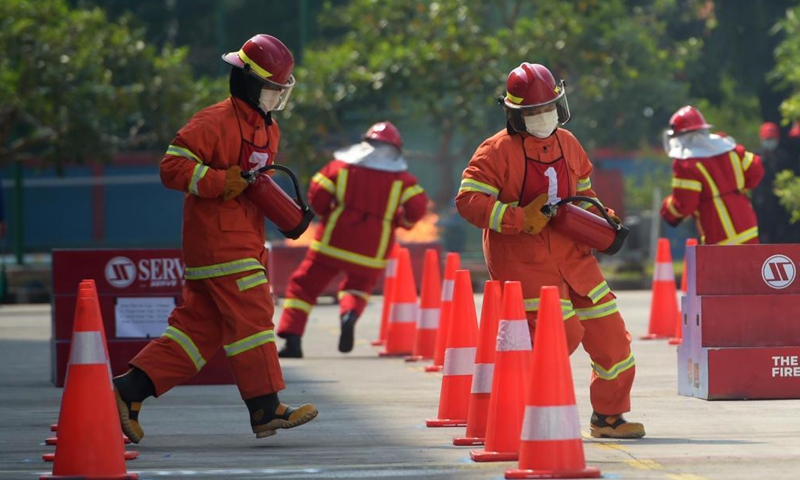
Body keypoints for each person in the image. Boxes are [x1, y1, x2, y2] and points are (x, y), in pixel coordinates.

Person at [112, 34, 317, 443]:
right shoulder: (213, 122)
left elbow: (257, 186)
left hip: (243, 242)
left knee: (197, 333)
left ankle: (129, 390)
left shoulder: (268, 130)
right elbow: (172, 168)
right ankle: (264, 407)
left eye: (281, 90)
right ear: (248, 81)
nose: (276, 97)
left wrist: (285, 214)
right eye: (271, 89)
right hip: (221, 245)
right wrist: (220, 181)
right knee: (254, 317)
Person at [455, 62, 645, 439]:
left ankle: (608, 417)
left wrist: (600, 217)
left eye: (548, 108)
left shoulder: (569, 143)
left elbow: (585, 192)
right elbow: (468, 201)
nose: (543, 117)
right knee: (561, 333)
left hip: (575, 259)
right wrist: (516, 217)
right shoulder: (496, 151)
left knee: (613, 341)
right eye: (533, 112)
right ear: (514, 115)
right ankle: (513, 413)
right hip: (525, 262)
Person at [276, 121, 429, 358]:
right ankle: (349, 314)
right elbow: (418, 207)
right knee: (357, 288)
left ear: (366, 143)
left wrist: (327, 211)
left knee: (304, 287)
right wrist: (401, 222)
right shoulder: (402, 178)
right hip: (373, 249)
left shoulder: (342, 167)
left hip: (334, 241)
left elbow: (318, 191)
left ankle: (293, 341)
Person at [660, 106, 764, 245]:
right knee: (750, 266)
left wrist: (667, 209)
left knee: (722, 267)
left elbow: (686, 203)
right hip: (747, 224)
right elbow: (756, 170)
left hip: (718, 231)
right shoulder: (730, 149)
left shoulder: (686, 164)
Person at [752, 122, 796, 243]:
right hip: (761, 204)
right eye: (767, 139)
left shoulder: (784, 157)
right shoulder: (756, 157)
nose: (770, 142)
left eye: (772, 139)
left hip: (779, 205)